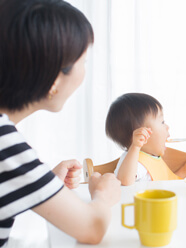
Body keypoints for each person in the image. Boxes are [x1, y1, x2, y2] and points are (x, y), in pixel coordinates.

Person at [0, 0, 121, 247]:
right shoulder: (5, 143)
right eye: (83, 61)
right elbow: (92, 229)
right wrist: (103, 196)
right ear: (55, 77)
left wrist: (42, 182)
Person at [106, 93, 186, 186]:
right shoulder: (134, 161)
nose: (167, 126)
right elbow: (125, 181)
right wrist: (135, 147)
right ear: (141, 134)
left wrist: (185, 170)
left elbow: (166, 183)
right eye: (162, 122)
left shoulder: (153, 157)